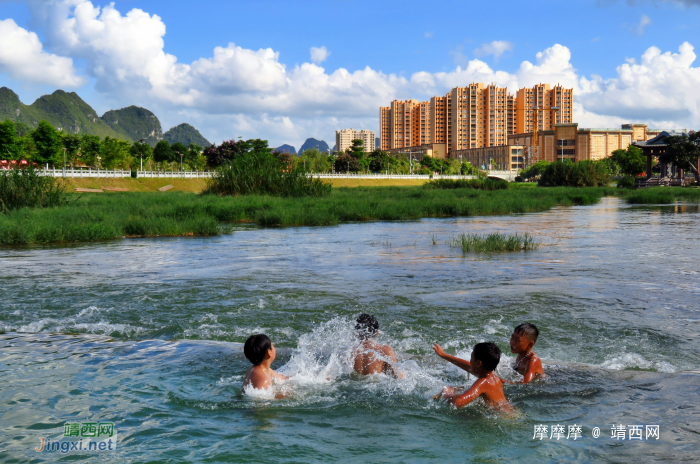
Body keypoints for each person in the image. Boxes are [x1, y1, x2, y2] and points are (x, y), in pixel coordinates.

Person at [432, 342, 512, 411]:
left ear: (478, 363)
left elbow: (457, 402)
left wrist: (448, 392)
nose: (470, 361)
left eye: (471, 358)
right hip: (511, 413)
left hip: (503, 419)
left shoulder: (483, 382)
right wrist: (443, 355)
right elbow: (468, 367)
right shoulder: (493, 377)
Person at [351, 314, 402, 379]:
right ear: (377, 332)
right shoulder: (385, 349)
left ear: (357, 333)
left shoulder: (350, 351)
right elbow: (398, 376)